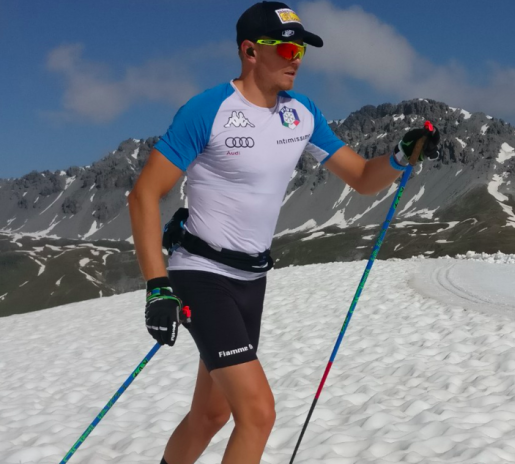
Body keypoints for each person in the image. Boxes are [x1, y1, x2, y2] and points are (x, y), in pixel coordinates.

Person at [127, 2, 440, 463]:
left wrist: (399, 155)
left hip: (251, 280)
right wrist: (157, 286)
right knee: (258, 414)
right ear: (250, 51)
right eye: (288, 49)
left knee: (211, 415)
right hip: (202, 275)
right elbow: (143, 195)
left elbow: (360, 178)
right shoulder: (208, 110)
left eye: (302, 51)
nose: (297, 59)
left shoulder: (301, 113)